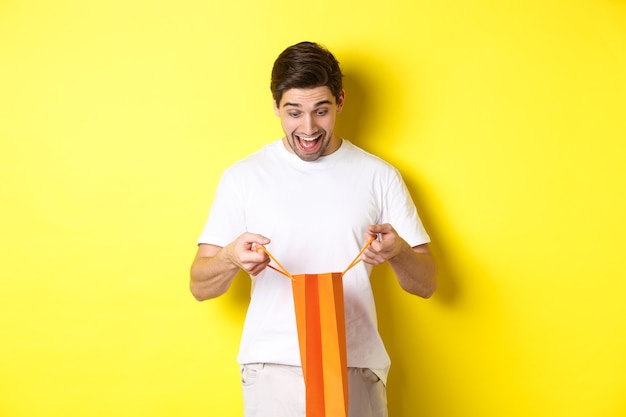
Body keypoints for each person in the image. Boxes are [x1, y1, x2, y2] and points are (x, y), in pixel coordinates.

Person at [190, 41, 437, 417]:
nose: (308, 129)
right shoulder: (243, 177)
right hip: (273, 365)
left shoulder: (379, 175)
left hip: (355, 362)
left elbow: (426, 284)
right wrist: (229, 257)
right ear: (275, 107)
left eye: (320, 111)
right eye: (294, 112)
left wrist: (399, 251)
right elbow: (199, 285)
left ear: (339, 102)